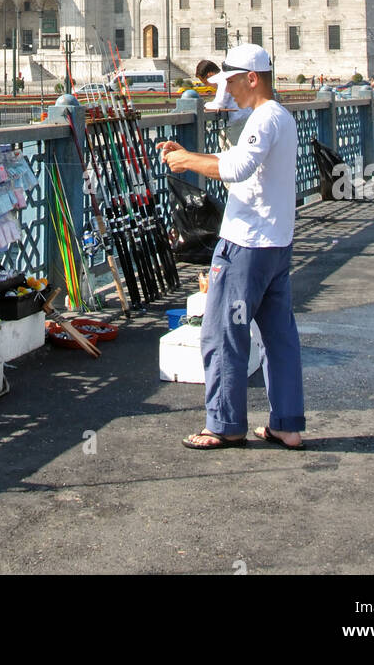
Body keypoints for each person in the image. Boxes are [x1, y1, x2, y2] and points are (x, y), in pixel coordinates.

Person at [156, 44, 305, 451]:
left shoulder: (265, 117)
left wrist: (186, 161)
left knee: (223, 333)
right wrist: (191, 154)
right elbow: (237, 158)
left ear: (252, 78)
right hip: (276, 243)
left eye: (234, 82)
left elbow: (237, 169)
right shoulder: (282, 118)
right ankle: (286, 425)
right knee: (279, 336)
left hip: (246, 244)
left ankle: (224, 425)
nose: (231, 90)